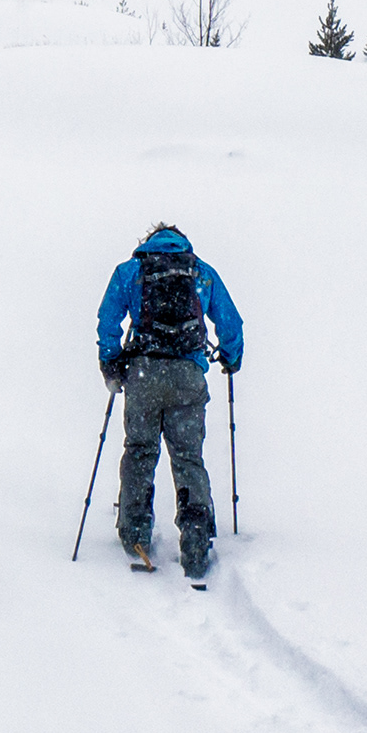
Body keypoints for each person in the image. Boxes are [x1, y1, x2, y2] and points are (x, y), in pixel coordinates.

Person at [95, 218, 246, 581]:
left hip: (144, 375)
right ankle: (195, 535)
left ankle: (134, 530)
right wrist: (231, 357)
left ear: (148, 242)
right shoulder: (201, 272)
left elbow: (107, 320)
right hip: (187, 377)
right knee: (188, 457)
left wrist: (111, 363)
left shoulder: (131, 271)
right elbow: (231, 323)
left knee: (140, 450)